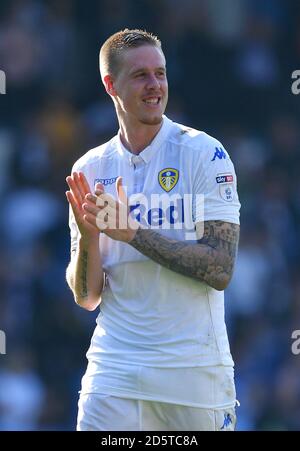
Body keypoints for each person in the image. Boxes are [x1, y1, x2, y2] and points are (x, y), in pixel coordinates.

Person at [66, 29, 240, 431]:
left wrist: (134, 234)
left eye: (160, 73)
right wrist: (89, 239)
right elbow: (86, 296)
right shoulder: (89, 169)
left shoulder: (204, 154)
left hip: (192, 374)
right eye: (141, 75)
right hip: (114, 371)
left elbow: (220, 269)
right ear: (111, 85)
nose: (155, 85)